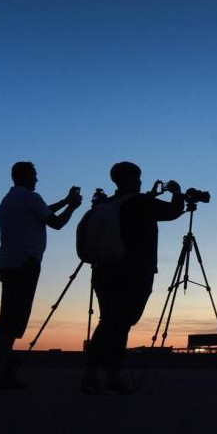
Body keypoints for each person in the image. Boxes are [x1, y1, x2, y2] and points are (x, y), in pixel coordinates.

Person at [82, 161, 183, 394]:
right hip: (133, 272)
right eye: (137, 178)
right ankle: (111, 377)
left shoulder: (107, 203)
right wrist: (176, 193)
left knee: (108, 321)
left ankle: (92, 374)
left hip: (103, 270)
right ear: (130, 179)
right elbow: (172, 212)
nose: (139, 182)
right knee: (119, 324)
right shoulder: (140, 202)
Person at [0, 162, 82, 387]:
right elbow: (56, 223)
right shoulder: (31, 198)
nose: (37, 180)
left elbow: (41, 213)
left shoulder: (12, 198)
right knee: (13, 318)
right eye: (35, 175)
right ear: (27, 176)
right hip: (25, 263)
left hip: (10, 262)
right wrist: (72, 208)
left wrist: (64, 201)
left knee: (8, 315)